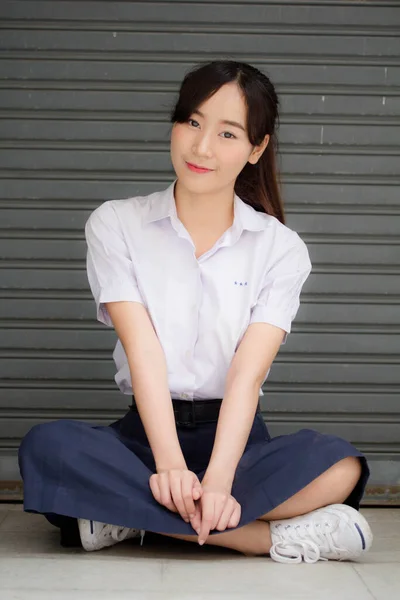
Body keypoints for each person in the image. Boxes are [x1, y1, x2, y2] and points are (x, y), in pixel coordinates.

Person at [18, 59, 372, 563]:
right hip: (145, 439)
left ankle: (123, 519)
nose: (202, 147)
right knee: (47, 449)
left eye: (228, 133)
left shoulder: (281, 248)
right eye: (192, 122)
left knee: (342, 466)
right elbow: (144, 355)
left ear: (256, 149)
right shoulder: (117, 223)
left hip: (239, 444)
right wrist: (168, 467)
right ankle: (268, 539)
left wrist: (221, 480)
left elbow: (247, 378)